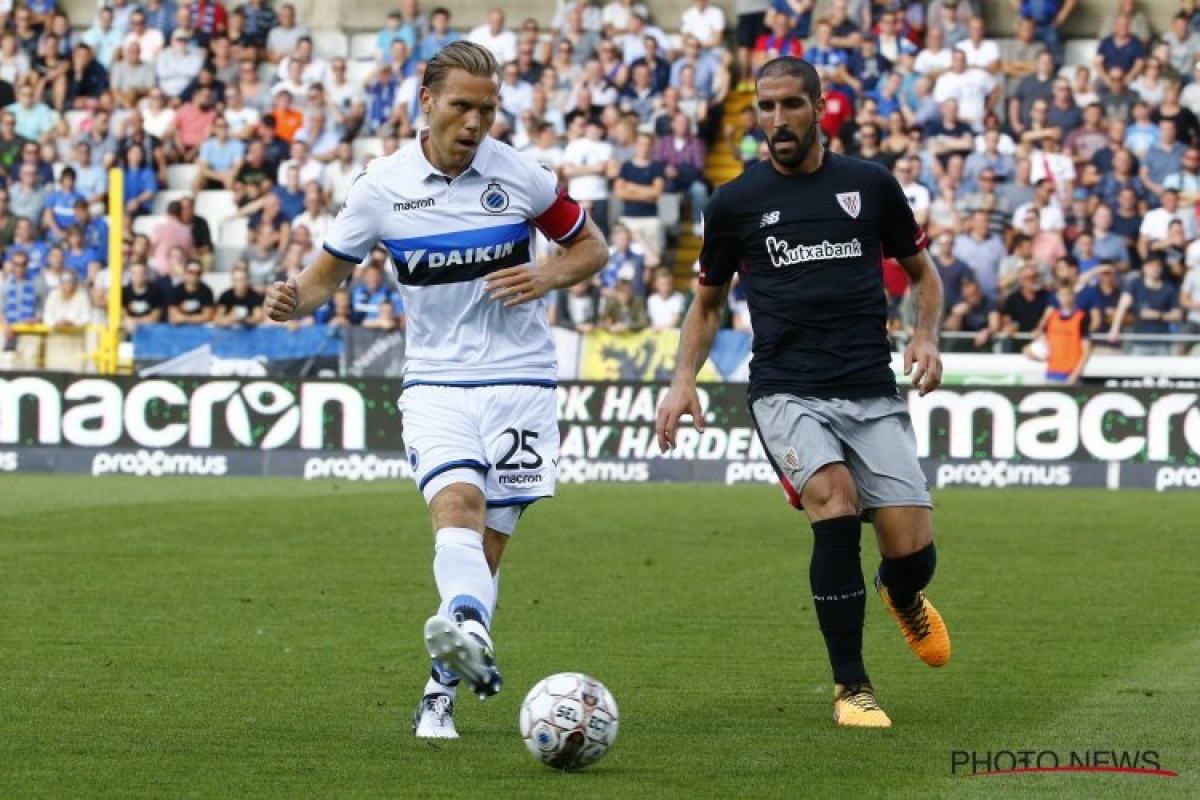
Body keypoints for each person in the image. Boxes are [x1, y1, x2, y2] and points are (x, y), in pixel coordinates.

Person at [263, 42, 608, 740]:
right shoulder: (381, 188)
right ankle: (472, 628)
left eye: (487, 109)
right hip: (435, 383)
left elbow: (591, 248)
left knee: (486, 550)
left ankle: (438, 692)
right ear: (426, 102)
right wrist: (293, 296)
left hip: (521, 382)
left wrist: (545, 276)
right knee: (457, 503)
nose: (476, 123)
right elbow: (327, 274)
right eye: (462, 106)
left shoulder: (523, 177)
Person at [656, 56, 950, 729]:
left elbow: (924, 274)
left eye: (791, 105)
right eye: (766, 107)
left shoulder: (870, 186)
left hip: (870, 387)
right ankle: (853, 688)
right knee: (835, 503)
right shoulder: (733, 202)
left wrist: (926, 336)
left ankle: (899, 593)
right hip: (786, 390)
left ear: (821, 108)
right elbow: (706, 305)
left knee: (913, 548)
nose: (777, 120)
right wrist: (681, 383)